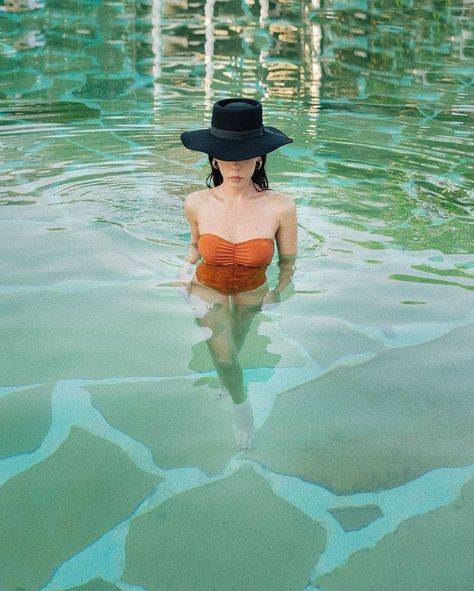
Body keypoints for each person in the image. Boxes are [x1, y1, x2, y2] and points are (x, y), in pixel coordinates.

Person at [179, 97, 297, 450]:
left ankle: (226, 380)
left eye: (245, 155)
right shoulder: (196, 202)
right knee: (226, 352)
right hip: (207, 286)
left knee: (238, 337)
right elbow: (194, 247)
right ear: (214, 158)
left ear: (259, 156)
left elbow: (288, 260)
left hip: (253, 289)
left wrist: (280, 290)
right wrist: (181, 273)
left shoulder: (281, 206)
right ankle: (241, 404)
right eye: (227, 156)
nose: (236, 165)